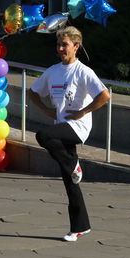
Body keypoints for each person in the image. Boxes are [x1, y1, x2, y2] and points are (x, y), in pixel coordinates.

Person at [28, 26, 111, 242]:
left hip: (77, 127)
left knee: (43, 136)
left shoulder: (84, 71)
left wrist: (84, 111)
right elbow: (33, 92)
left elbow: (104, 96)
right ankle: (79, 226)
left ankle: (73, 164)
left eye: (65, 45)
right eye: (58, 45)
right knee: (70, 182)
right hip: (61, 126)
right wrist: (46, 110)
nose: (61, 48)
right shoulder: (53, 71)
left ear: (76, 46)